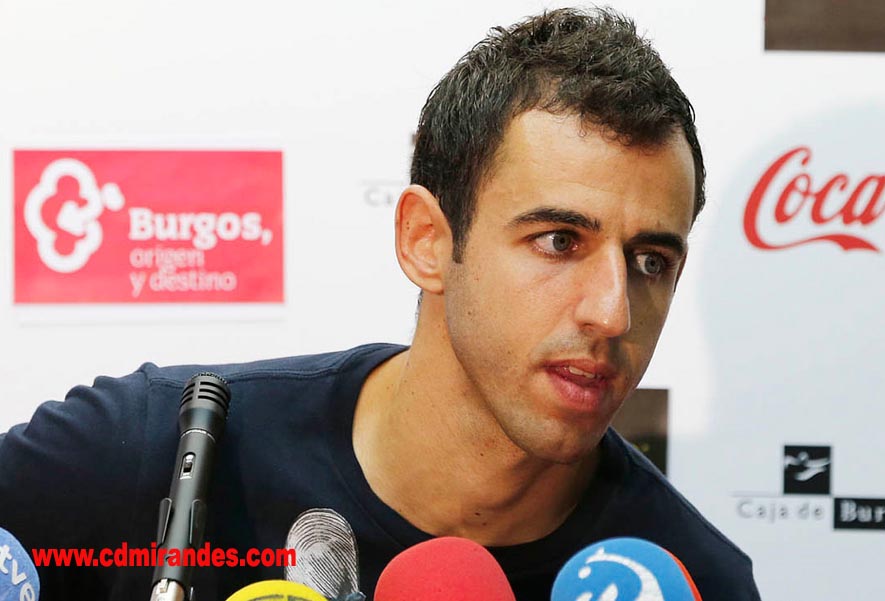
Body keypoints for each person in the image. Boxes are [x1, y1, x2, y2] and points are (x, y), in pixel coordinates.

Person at [0, 7, 761, 600]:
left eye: (650, 261)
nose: (612, 313)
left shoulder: (693, 580)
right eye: (559, 241)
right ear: (427, 240)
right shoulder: (148, 450)